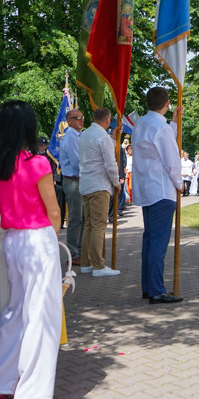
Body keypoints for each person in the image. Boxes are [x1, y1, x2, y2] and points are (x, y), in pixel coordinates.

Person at [0, 101, 62, 399]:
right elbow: (53, 210)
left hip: (12, 240)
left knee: (15, 312)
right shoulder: (37, 163)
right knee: (41, 315)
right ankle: (31, 391)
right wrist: (52, 237)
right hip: (37, 238)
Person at [131, 88, 185, 304]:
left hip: (147, 188)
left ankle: (148, 286)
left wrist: (173, 122)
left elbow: (161, 142)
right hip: (162, 190)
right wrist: (180, 183)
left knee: (150, 240)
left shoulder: (141, 124)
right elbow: (171, 159)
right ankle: (156, 290)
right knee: (158, 244)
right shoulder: (160, 128)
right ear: (167, 103)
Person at [78, 108, 121, 277]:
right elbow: (110, 164)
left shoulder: (86, 134)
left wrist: (112, 138)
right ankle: (98, 266)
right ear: (108, 120)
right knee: (98, 226)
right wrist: (117, 183)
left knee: (89, 225)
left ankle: (86, 263)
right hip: (99, 185)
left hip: (87, 184)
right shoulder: (102, 137)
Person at [59, 109, 84, 264]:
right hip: (74, 180)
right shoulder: (71, 137)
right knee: (75, 219)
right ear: (69, 121)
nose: (81, 120)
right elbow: (77, 163)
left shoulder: (77, 136)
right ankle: (73, 254)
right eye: (78, 118)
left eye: (82, 117)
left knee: (80, 218)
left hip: (77, 180)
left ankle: (78, 251)